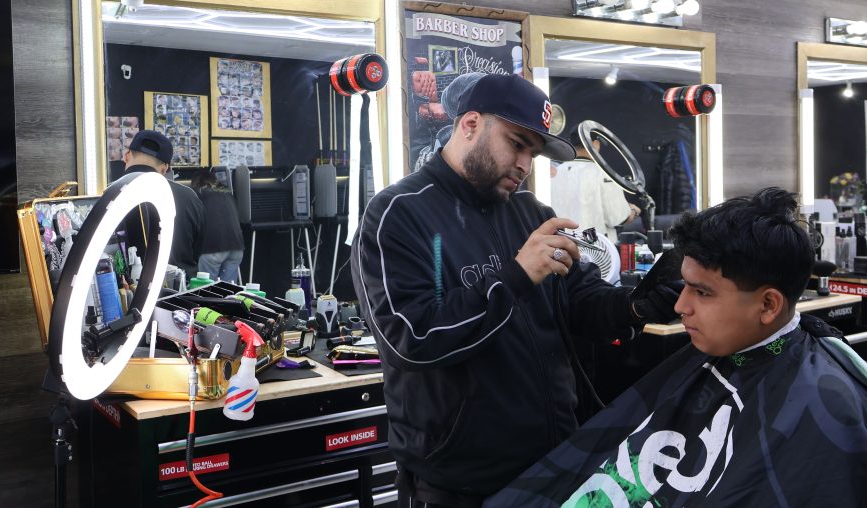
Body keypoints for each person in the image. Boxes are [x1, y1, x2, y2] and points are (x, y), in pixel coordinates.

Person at [350, 74, 681, 507]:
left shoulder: (530, 212)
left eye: (534, 152)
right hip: (460, 482)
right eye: (517, 143)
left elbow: (578, 302)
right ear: (470, 124)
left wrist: (636, 305)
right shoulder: (398, 215)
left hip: (555, 461)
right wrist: (516, 276)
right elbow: (411, 341)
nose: (526, 164)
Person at [486, 187, 867, 507]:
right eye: (685, 285)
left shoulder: (827, 407)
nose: (681, 306)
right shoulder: (712, 356)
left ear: (768, 305)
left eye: (702, 292)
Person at [122, 129, 205, 280]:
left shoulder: (111, 194)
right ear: (165, 168)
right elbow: (198, 250)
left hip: (133, 294)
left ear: (126, 156)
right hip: (181, 292)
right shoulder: (189, 196)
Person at [551, 123, 640, 241]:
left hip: (562, 248)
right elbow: (617, 218)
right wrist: (633, 210)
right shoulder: (604, 174)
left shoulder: (555, 173)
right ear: (595, 144)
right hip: (597, 251)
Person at [190, 170, 244, 283]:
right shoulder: (227, 193)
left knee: (207, 289)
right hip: (236, 248)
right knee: (228, 290)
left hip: (212, 248)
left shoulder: (197, 195)